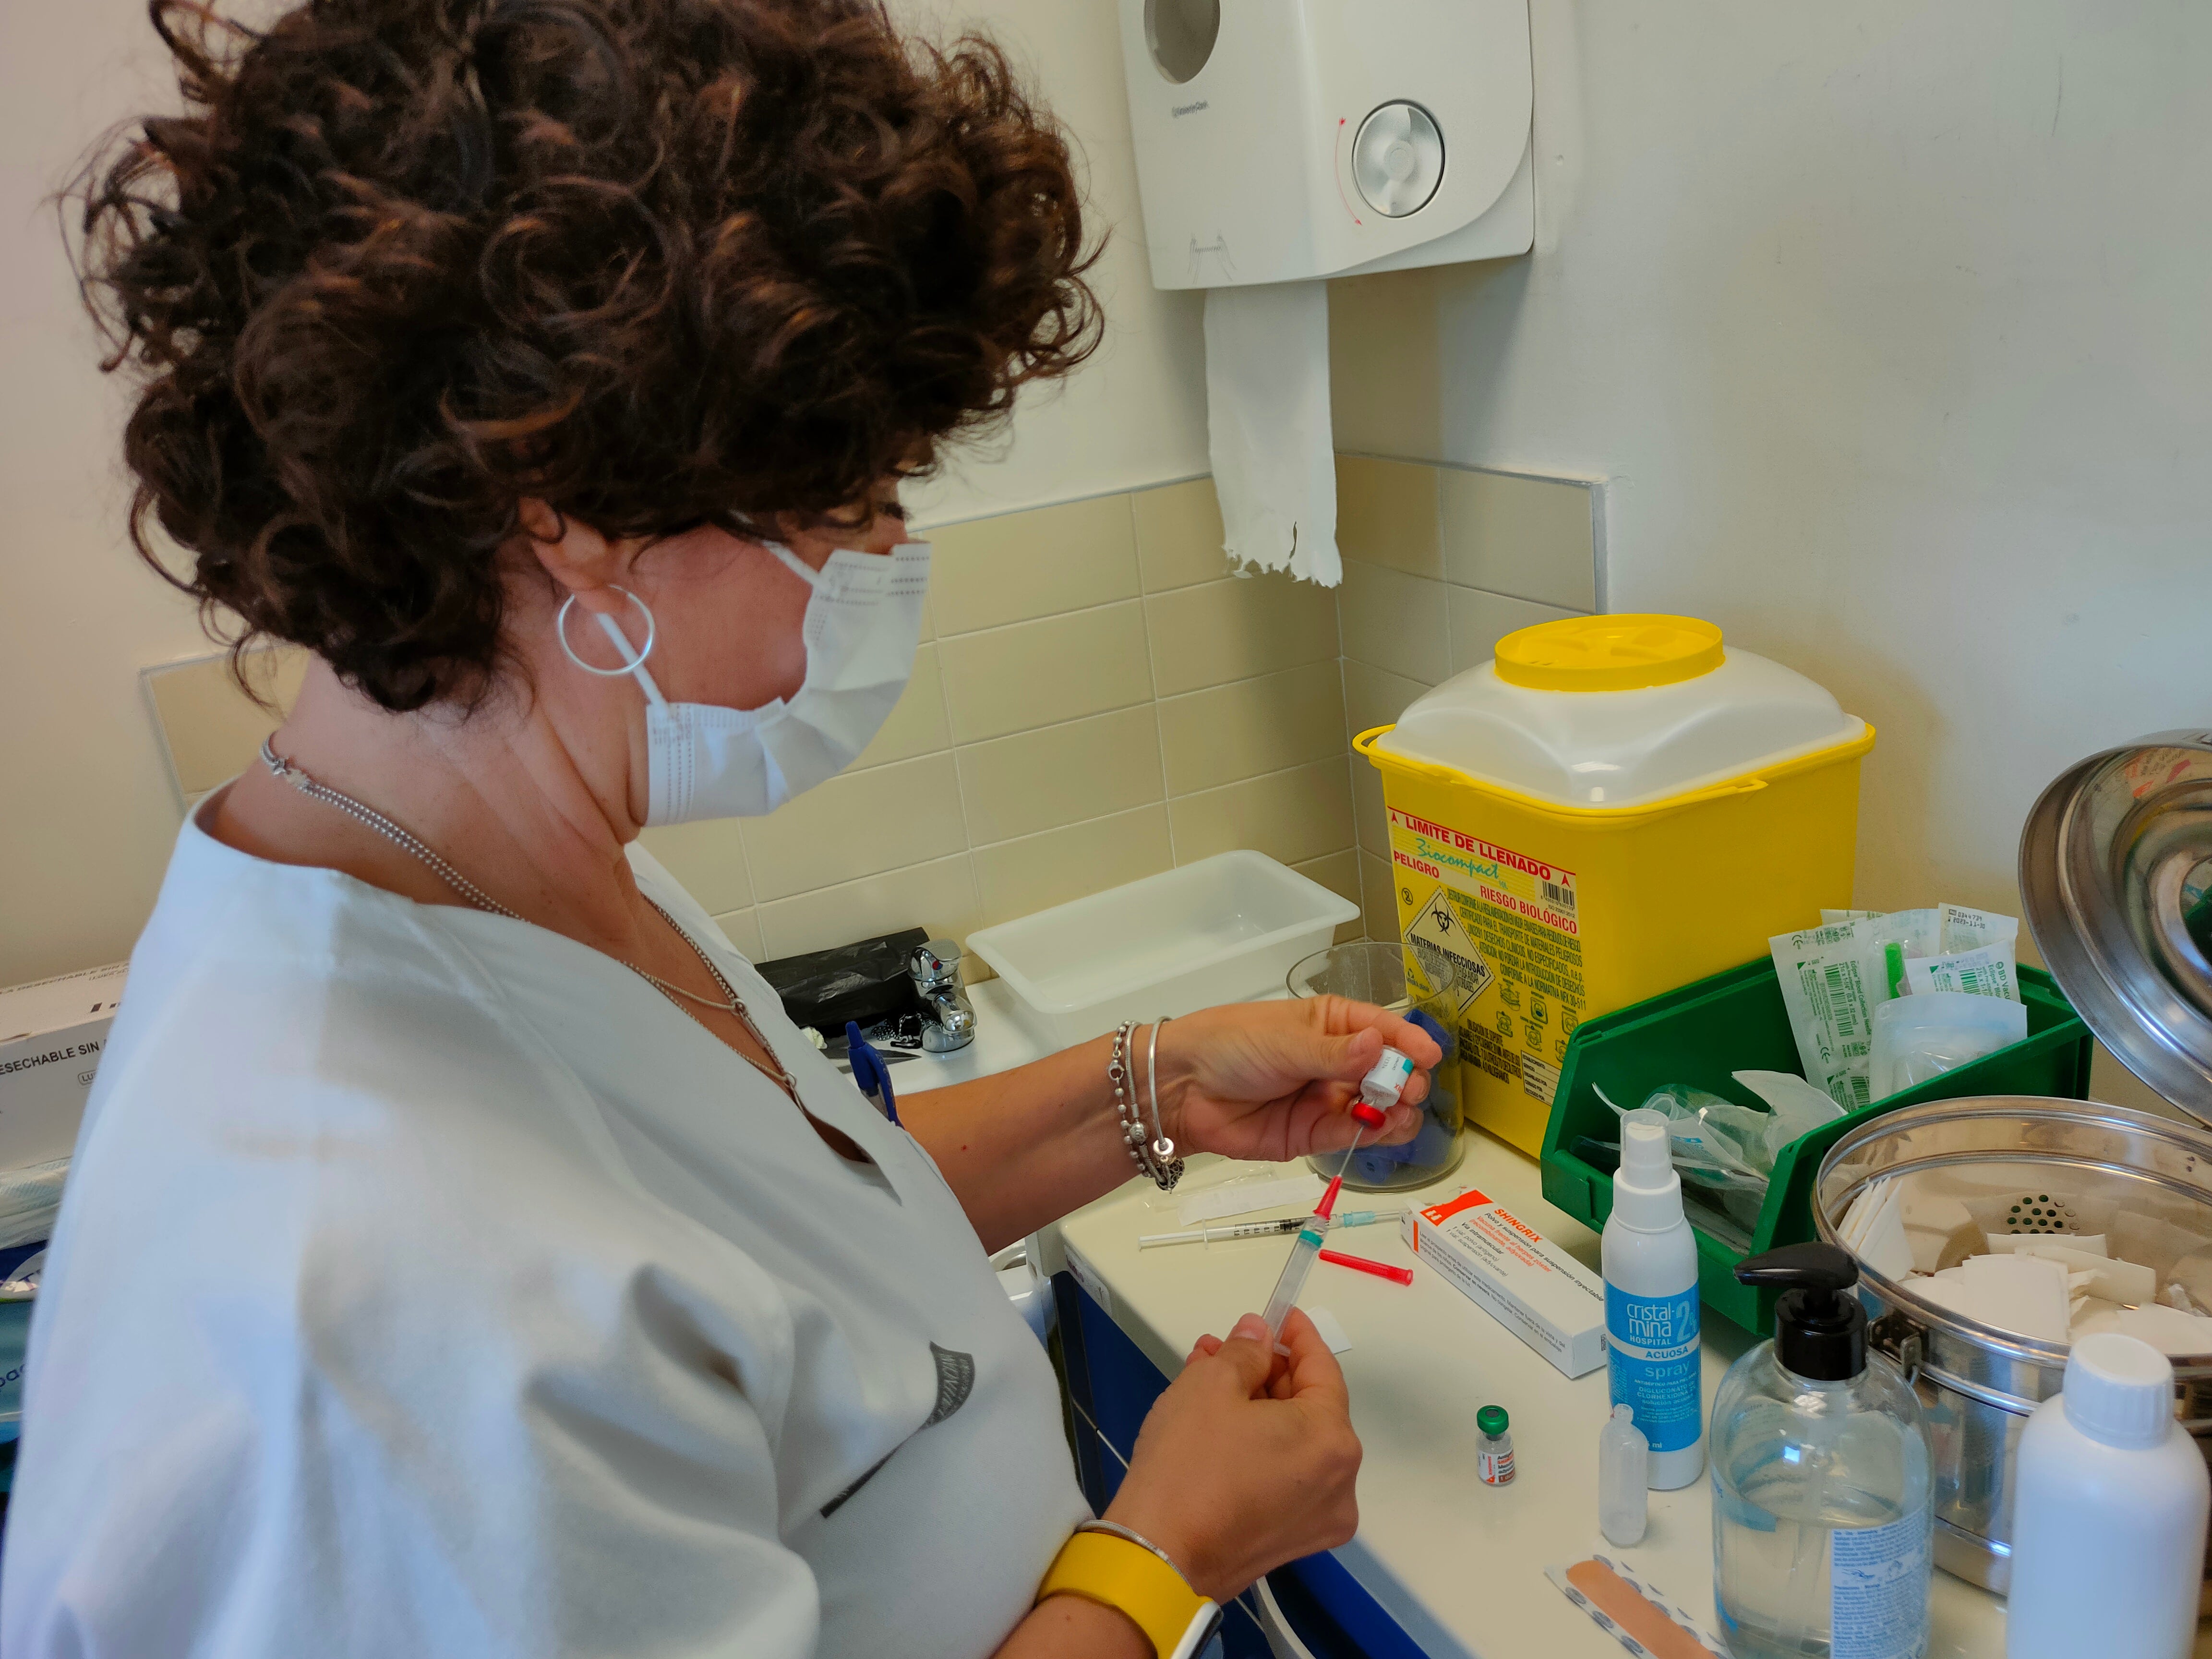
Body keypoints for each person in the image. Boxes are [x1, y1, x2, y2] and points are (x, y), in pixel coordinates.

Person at [1, 3, 1445, 1657]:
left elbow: (780, 1263)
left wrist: (1159, 1088)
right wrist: (1164, 1557)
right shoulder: (374, 1304)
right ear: (569, 512)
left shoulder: (492, 876)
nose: (890, 559)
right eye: (859, 499)